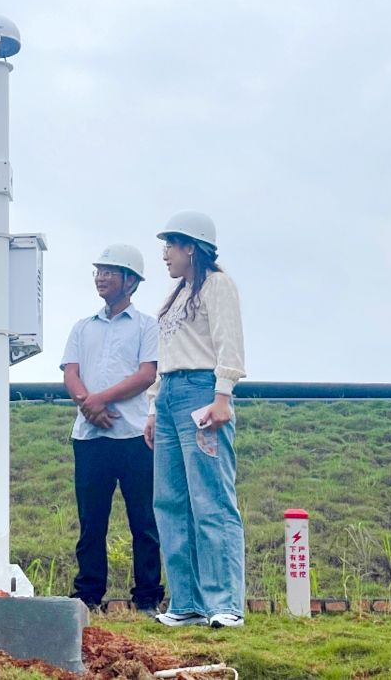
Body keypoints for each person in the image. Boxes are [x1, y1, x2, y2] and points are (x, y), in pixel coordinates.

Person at [144, 211, 246, 629]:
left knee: (211, 499)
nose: (165, 254)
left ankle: (225, 603)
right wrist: (153, 406)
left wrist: (223, 396)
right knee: (170, 501)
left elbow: (229, 342)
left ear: (191, 246)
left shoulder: (216, 285)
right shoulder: (176, 295)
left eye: (171, 245)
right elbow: (166, 357)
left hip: (202, 392)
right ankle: (187, 602)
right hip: (169, 395)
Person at [61, 244, 164, 615]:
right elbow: (70, 372)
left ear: (130, 281)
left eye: (109, 271)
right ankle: (88, 594)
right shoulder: (82, 326)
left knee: (144, 520)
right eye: (98, 271)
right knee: (91, 522)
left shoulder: (147, 325)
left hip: (135, 435)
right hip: (89, 438)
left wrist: (97, 400)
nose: (101, 278)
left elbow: (146, 374)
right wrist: (88, 405)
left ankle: (148, 596)